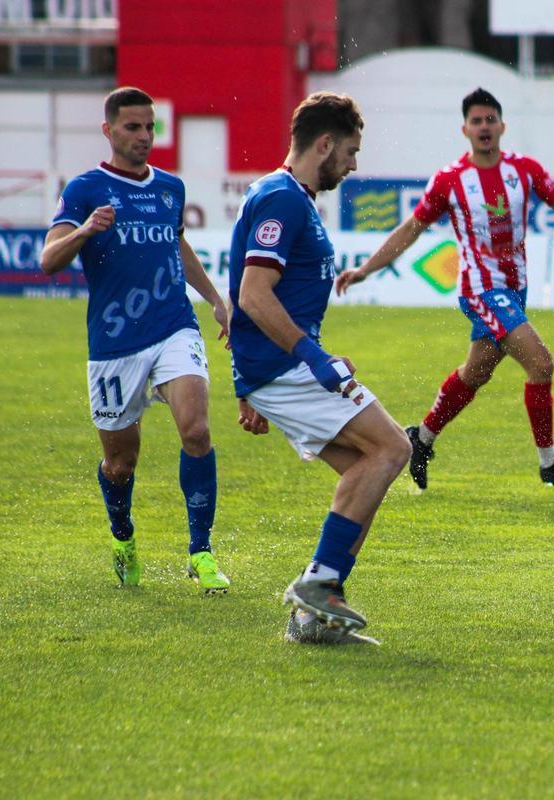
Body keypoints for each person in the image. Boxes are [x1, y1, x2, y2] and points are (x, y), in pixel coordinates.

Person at [336, 87, 554, 495]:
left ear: (502, 125)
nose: (484, 127)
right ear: (465, 129)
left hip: (514, 290)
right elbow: (410, 229)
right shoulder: (451, 180)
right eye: (476, 121)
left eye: (490, 119)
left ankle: (421, 438)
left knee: (474, 374)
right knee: (541, 364)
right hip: (481, 290)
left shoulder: (524, 170)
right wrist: (366, 269)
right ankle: (549, 462)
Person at [228, 91, 410, 645]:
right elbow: (254, 294)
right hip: (285, 368)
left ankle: (314, 619)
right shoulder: (283, 198)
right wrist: (312, 359)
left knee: (365, 468)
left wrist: (250, 386)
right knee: (393, 448)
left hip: (274, 371)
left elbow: (259, 302)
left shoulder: (290, 197)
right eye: (350, 151)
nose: (353, 165)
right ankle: (321, 582)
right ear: (324, 144)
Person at [40, 86, 231, 594]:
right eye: (133, 127)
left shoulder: (170, 188)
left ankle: (201, 552)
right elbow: (48, 261)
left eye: (150, 127)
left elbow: (177, 243)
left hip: (173, 326)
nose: (145, 136)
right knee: (121, 463)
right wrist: (84, 231)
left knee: (196, 430)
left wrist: (214, 297)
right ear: (108, 131)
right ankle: (123, 536)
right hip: (113, 343)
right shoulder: (85, 189)